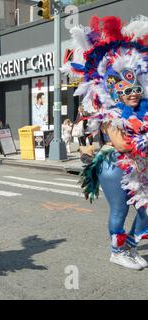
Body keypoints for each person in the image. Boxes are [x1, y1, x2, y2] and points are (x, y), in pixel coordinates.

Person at [63, 15, 148, 270]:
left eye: (136, 90)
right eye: (126, 91)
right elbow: (122, 145)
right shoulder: (111, 116)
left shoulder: (143, 113)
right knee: (120, 210)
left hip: (139, 167)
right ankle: (117, 250)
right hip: (115, 165)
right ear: (115, 92)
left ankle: (131, 247)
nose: (133, 95)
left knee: (145, 211)